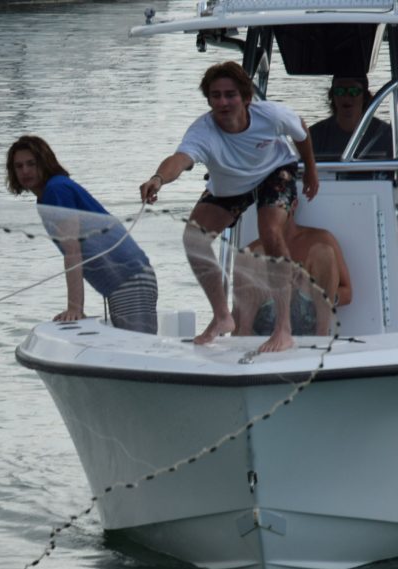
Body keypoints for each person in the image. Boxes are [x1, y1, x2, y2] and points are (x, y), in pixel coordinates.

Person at [139, 60, 318, 353]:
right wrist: (158, 179)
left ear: (246, 98)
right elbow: (180, 160)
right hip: (231, 185)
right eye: (216, 95)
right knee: (194, 239)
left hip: (275, 170)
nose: (223, 102)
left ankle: (283, 328)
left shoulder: (271, 115)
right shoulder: (202, 131)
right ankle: (222, 316)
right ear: (209, 100)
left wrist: (311, 169)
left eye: (230, 94)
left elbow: (301, 131)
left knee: (270, 232)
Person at [6, 135, 158, 333]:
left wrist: (75, 308)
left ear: (44, 163)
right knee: (133, 350)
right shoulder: (50, 194)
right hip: (126, 280)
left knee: (139, 352)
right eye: (19, 166)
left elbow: (73, 251)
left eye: (31, 164)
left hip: (129, 280)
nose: (25, 171)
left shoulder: (56, 190)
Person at [233, 198, 351, 337]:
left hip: (308, 316)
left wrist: (316, 291)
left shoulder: (321, 238)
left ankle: (322, 337)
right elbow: (238, 306)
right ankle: (244, 336)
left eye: (276, 206)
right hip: (266, 322)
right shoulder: (253, 248)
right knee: (253, 255)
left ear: (293, 205)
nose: (270, 213)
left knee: (323, 252)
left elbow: (347, 293)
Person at [309, 74, 392, 161]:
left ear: (364, 96)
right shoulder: (313, 136)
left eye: (354, 91)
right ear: (332, 96)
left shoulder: (388, 135)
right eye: (339, 91)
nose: (346, 97)